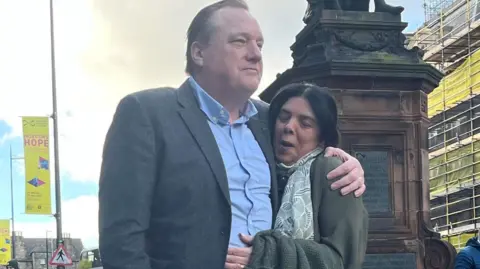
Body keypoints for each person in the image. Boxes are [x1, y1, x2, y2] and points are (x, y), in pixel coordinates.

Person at [98, 1, 366, 269]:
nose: (255, 54)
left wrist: (345, 162)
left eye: (259, 45)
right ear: (199, 53)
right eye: (240, 42)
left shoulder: (270, 120)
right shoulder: (146, 113)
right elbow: (122, 240)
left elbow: (306, 161)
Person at [244, 83, 368, 269]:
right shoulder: (263, 167)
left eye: (305, 124)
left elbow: (344, 259)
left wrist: (270, 252)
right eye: (283, 117)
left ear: (322, 138)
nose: (288, 127)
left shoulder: (334, 171)